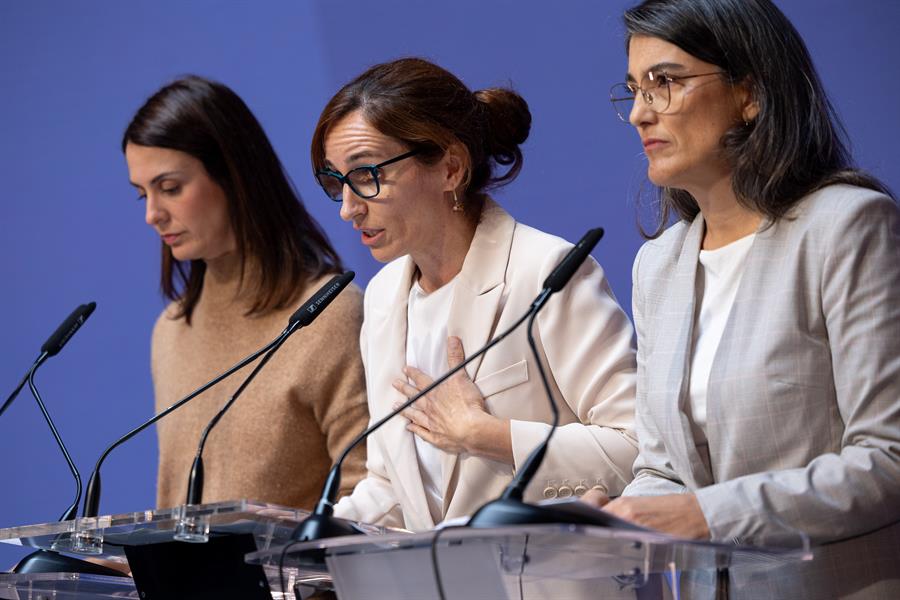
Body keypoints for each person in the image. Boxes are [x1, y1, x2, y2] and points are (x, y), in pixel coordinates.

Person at [583, 0, 900, 597]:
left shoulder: (844, 226)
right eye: (633, 90)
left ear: (749, 94)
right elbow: (665, 467)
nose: (639, 115)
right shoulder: (660, 264)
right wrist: (618, 518)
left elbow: (889, 459)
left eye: (665, 83)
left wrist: (706, 515)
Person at [309, 57, 639, 532]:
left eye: (366, 176)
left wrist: (485, 435)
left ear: (451, 168)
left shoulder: (545, 272)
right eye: (334, 182)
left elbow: (637, 450)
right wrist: (301, 537)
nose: (347, 209)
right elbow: (395, 487)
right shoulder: (382, 298)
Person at [123, 76, 369, 511]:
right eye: (142, 194)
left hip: (298, 579)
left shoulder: (329, 315)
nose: (152, 215)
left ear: (235, 176)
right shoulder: (172, 330)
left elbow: (370, 496)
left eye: (170, 188)